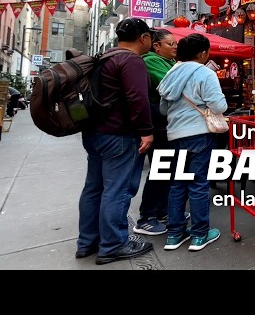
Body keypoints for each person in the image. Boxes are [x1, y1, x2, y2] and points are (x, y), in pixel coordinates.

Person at [76, 17, 155, 265]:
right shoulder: (131, 61)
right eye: (150, 38)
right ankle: (113, 244)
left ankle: (87, 242)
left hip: (95, 133)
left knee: (94, 188)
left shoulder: (104, 57)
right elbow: (137, 99)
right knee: (118, 189)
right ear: (143, 38)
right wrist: (146, 131)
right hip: (119, 136)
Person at [157, 33, 228, 252]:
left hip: (175, 134)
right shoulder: (205, 73)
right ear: (203, 53)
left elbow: (163, 109)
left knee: (178, 184)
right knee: (198, 184)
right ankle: (199, 234)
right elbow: (219, 106)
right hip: (199, 134)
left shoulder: (171, 72)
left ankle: (174, 234)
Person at [133, 29, 179, 236]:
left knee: (169, 170)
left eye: (176, 44)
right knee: (160, 170)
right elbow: (171, 87)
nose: (175, 47)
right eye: (171, 44)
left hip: (169, 125)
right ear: (156, 46)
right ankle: (147, 217)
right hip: (158, 126)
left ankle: (162, 211)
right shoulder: (150, 61)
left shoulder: (170, 63)